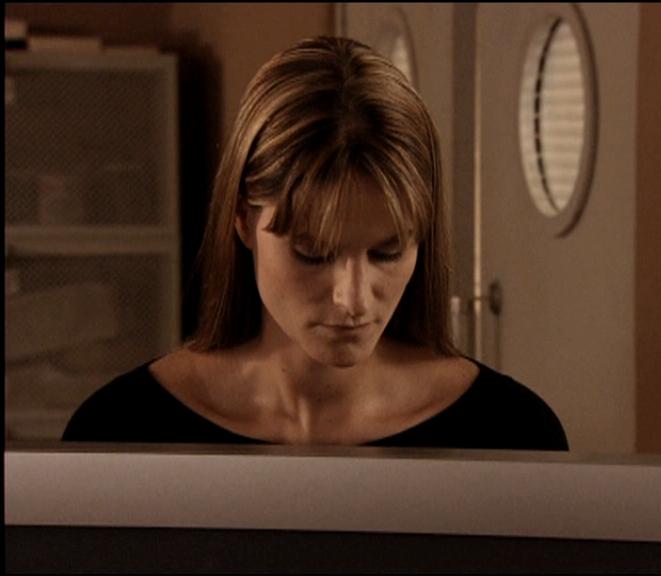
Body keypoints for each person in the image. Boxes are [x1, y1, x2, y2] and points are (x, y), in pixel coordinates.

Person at [62, 36, 568, 450]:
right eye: (313, 253)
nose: (352, 299)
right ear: (242, 219)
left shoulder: (512, 432)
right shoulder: (121, 429)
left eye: (387, 252)